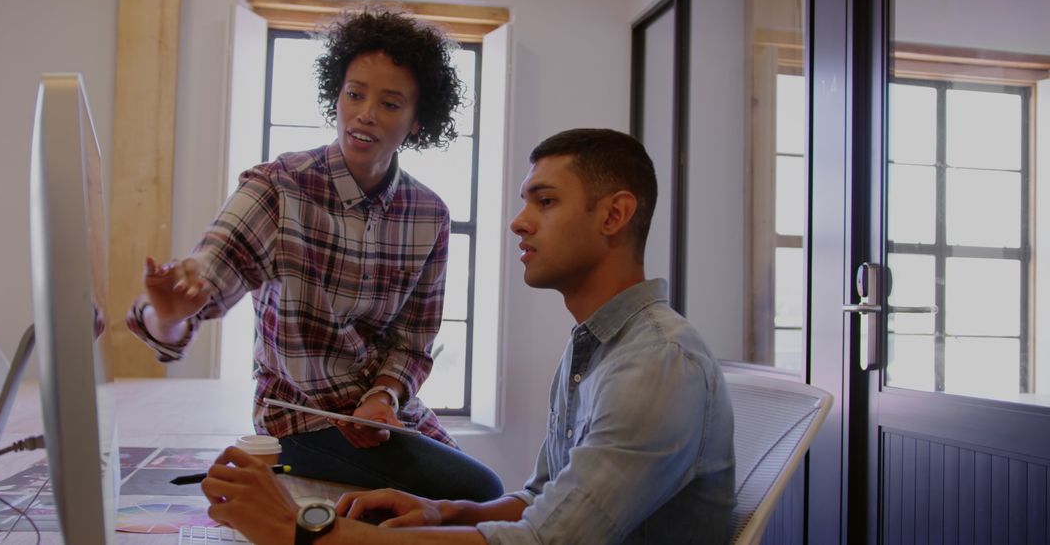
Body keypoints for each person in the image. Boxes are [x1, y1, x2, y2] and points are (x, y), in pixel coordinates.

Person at [199, 128, 737, 544]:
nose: (519, 223)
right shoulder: (596, 347)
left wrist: (300, 532)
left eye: (545, 202)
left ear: (615, 215)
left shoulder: (656, 365)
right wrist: (446, 511)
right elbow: (540, 500)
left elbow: (540, 542)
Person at [125, 7, 502, 501]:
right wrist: (168, 314)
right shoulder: (278, 187)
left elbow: (412, 343)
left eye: (390, 104)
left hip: (384, 413)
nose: (365, 112)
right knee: (480, 490)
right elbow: (207, 276)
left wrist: (383, 396)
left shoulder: (430, 215)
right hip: (300, 419)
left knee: (487, 504)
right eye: (355, 93)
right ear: (337, 94)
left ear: (416, 122)